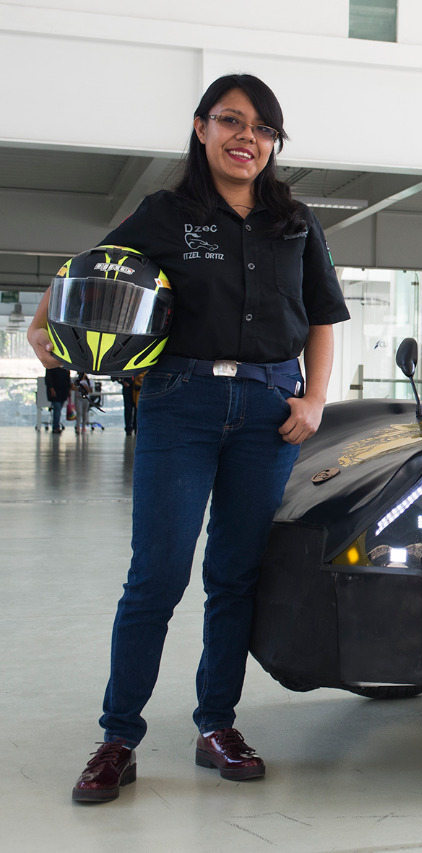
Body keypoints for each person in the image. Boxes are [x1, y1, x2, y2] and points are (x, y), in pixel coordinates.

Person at [26, 74, 349, 804]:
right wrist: (42, 323)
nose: (248, 137)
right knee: (158, 575)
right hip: (183, 401)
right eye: (232, 121)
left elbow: (323, 315)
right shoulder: (166, 214)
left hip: (269, 410)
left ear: (273, 143)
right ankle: (117, 737)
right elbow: (89, 272)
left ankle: (216, 726)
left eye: (263, 128)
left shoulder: (296, 223)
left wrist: (317, 397)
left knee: (233, 576)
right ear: (201, 128)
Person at [44, 366, 70, 432]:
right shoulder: (51, 366)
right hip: (55, 392)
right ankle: (55, 427)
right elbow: (48, 379)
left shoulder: (65, 367)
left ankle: (56, 425)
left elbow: (68, 379)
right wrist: (51, 389)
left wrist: (68, 390)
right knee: (57, 409)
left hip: (63, 392)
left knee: (58, 410)